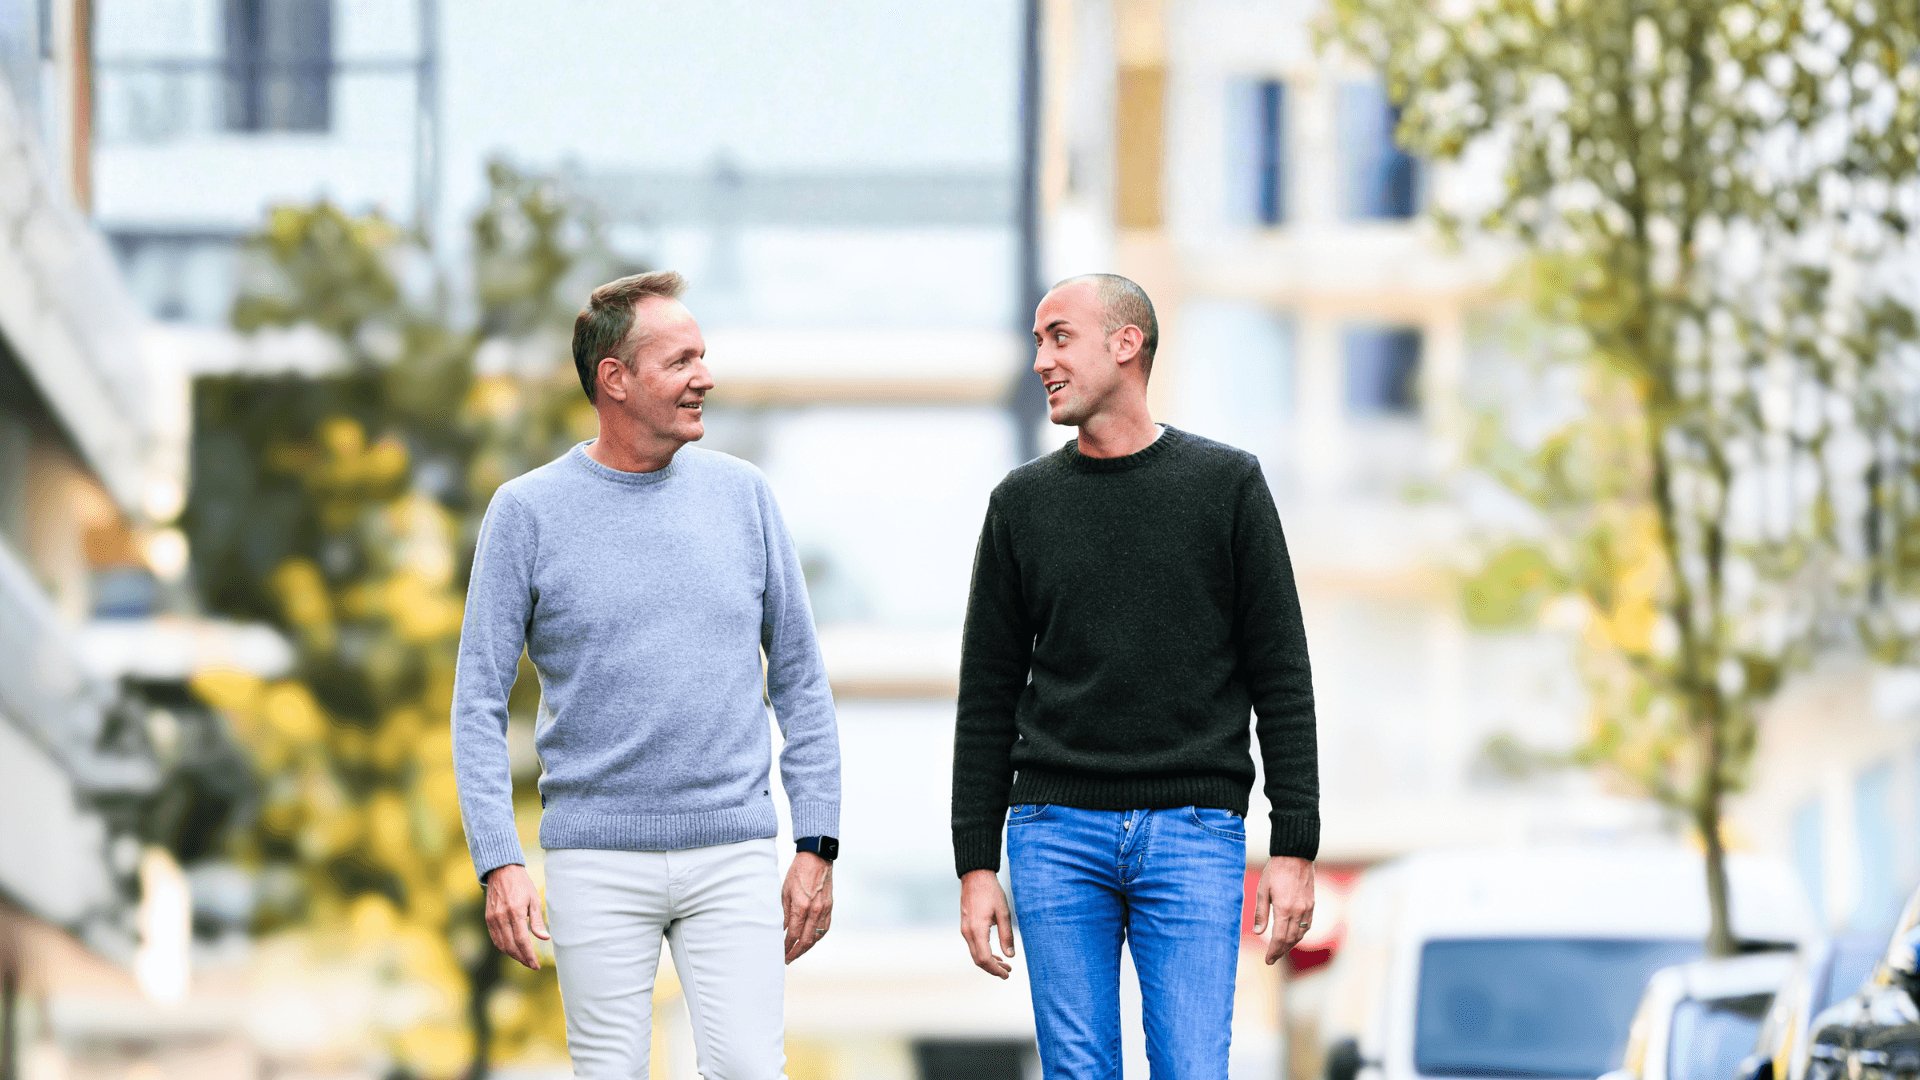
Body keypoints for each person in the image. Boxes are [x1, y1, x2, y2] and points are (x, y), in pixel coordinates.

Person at [452, 271, 841, 1079]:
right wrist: (499, 860)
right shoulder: (524, 514)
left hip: (733, 851)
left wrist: (817, 842)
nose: (705, 377)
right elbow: (478, 703)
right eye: (681, 361)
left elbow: (801, 681)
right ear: (615, 380)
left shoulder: (746, 497)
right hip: (594, 859)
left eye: (704, 356)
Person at [951, 274, 1319, 1078]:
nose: (1040, 358)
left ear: (1127, 344)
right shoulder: (1022, 505)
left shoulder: (1227, 487)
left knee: (1192, 1067)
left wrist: (1294, 843)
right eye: (1038, 339)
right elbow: (986, 699)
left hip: (1194, 831)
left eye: (1059, 337)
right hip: (1054, 834)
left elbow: (1282, 675)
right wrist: (976, 864)